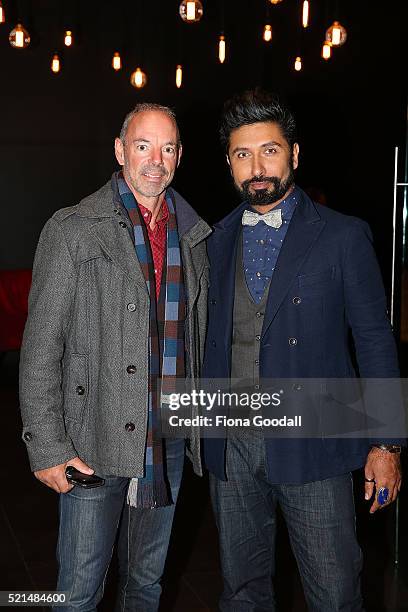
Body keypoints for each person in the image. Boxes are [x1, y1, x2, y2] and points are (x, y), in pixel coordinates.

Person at [202, 89, 403, 611]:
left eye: (269, 150)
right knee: (242, 592)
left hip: (315, 439)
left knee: (334, 592)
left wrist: (386, 444)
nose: (257, 166)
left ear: (294, 154)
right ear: (229, 163)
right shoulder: (213, 240)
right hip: (232, 441)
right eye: (243, 154)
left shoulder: (343, 236)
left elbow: (375, 340)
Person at [19, 102, 211, 611]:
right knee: (78, 592)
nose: (155, 160)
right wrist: (48, 448)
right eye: (143, 145)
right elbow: (41, 347)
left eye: (167, 147)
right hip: (92, 442)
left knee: (145, 587)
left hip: (166, 440)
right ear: (120, 150)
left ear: (179, 156)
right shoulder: (73, 229)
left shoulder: (192, 236)